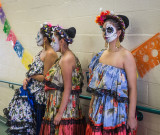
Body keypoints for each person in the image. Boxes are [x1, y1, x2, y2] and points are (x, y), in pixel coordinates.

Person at [85, 10, 137, 135]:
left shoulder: (126, 56)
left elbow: (132, 88)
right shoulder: (100, 55)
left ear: (119, 33)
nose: (105, 33)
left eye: (109, 30)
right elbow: (96, 87)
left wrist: (130, 117)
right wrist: (91, 105)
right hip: (98, 109)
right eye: (103, 30)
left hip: (116, 111)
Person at [3, 22, 58, 135]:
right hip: (30, 89)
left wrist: (30, 75)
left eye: (38, 36)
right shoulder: (42, 50)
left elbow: (45, 78)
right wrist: (27, 78)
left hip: (38, 95)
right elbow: (34, 70)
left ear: (46, 39)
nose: (35, 38)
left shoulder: (50, 53)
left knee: (34, 124)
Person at [39, 25, 86, 135]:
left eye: (54, 40)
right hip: (59, 104)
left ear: (62, 41)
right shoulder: (63, 56)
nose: (52, 42)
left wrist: (60, 114)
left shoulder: (66, 59)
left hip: (64, 108)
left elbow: (68, 88)